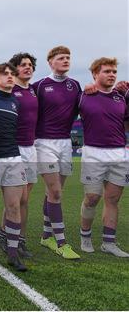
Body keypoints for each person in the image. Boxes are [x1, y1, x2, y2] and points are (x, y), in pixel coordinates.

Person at [78, 57, 129, 257]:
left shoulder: (121, 97)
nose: (112, 75)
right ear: (95, 74)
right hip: (93, 153)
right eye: (107, 71)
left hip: (119, 153)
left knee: (113, 199)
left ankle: (109, 243)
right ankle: (85, 237)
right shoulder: (84, 96)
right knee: (92, 198)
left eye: (114, 72)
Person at [33, 46, 80, 260]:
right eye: (61, 58)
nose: (66, 61)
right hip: (44, 143)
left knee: (53, 192)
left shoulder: (75, 85)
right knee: (56, 193)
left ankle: (45, 236)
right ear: (50, 62)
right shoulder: (41, 85)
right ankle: (61, 242)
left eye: (68, 58)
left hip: (65, 143)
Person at [0, 63, 28, 271]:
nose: (10, 77)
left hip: (13, 158)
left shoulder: (15, 101)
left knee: (14, 206)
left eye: (12, 74)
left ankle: (13, 253)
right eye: (5, 74)